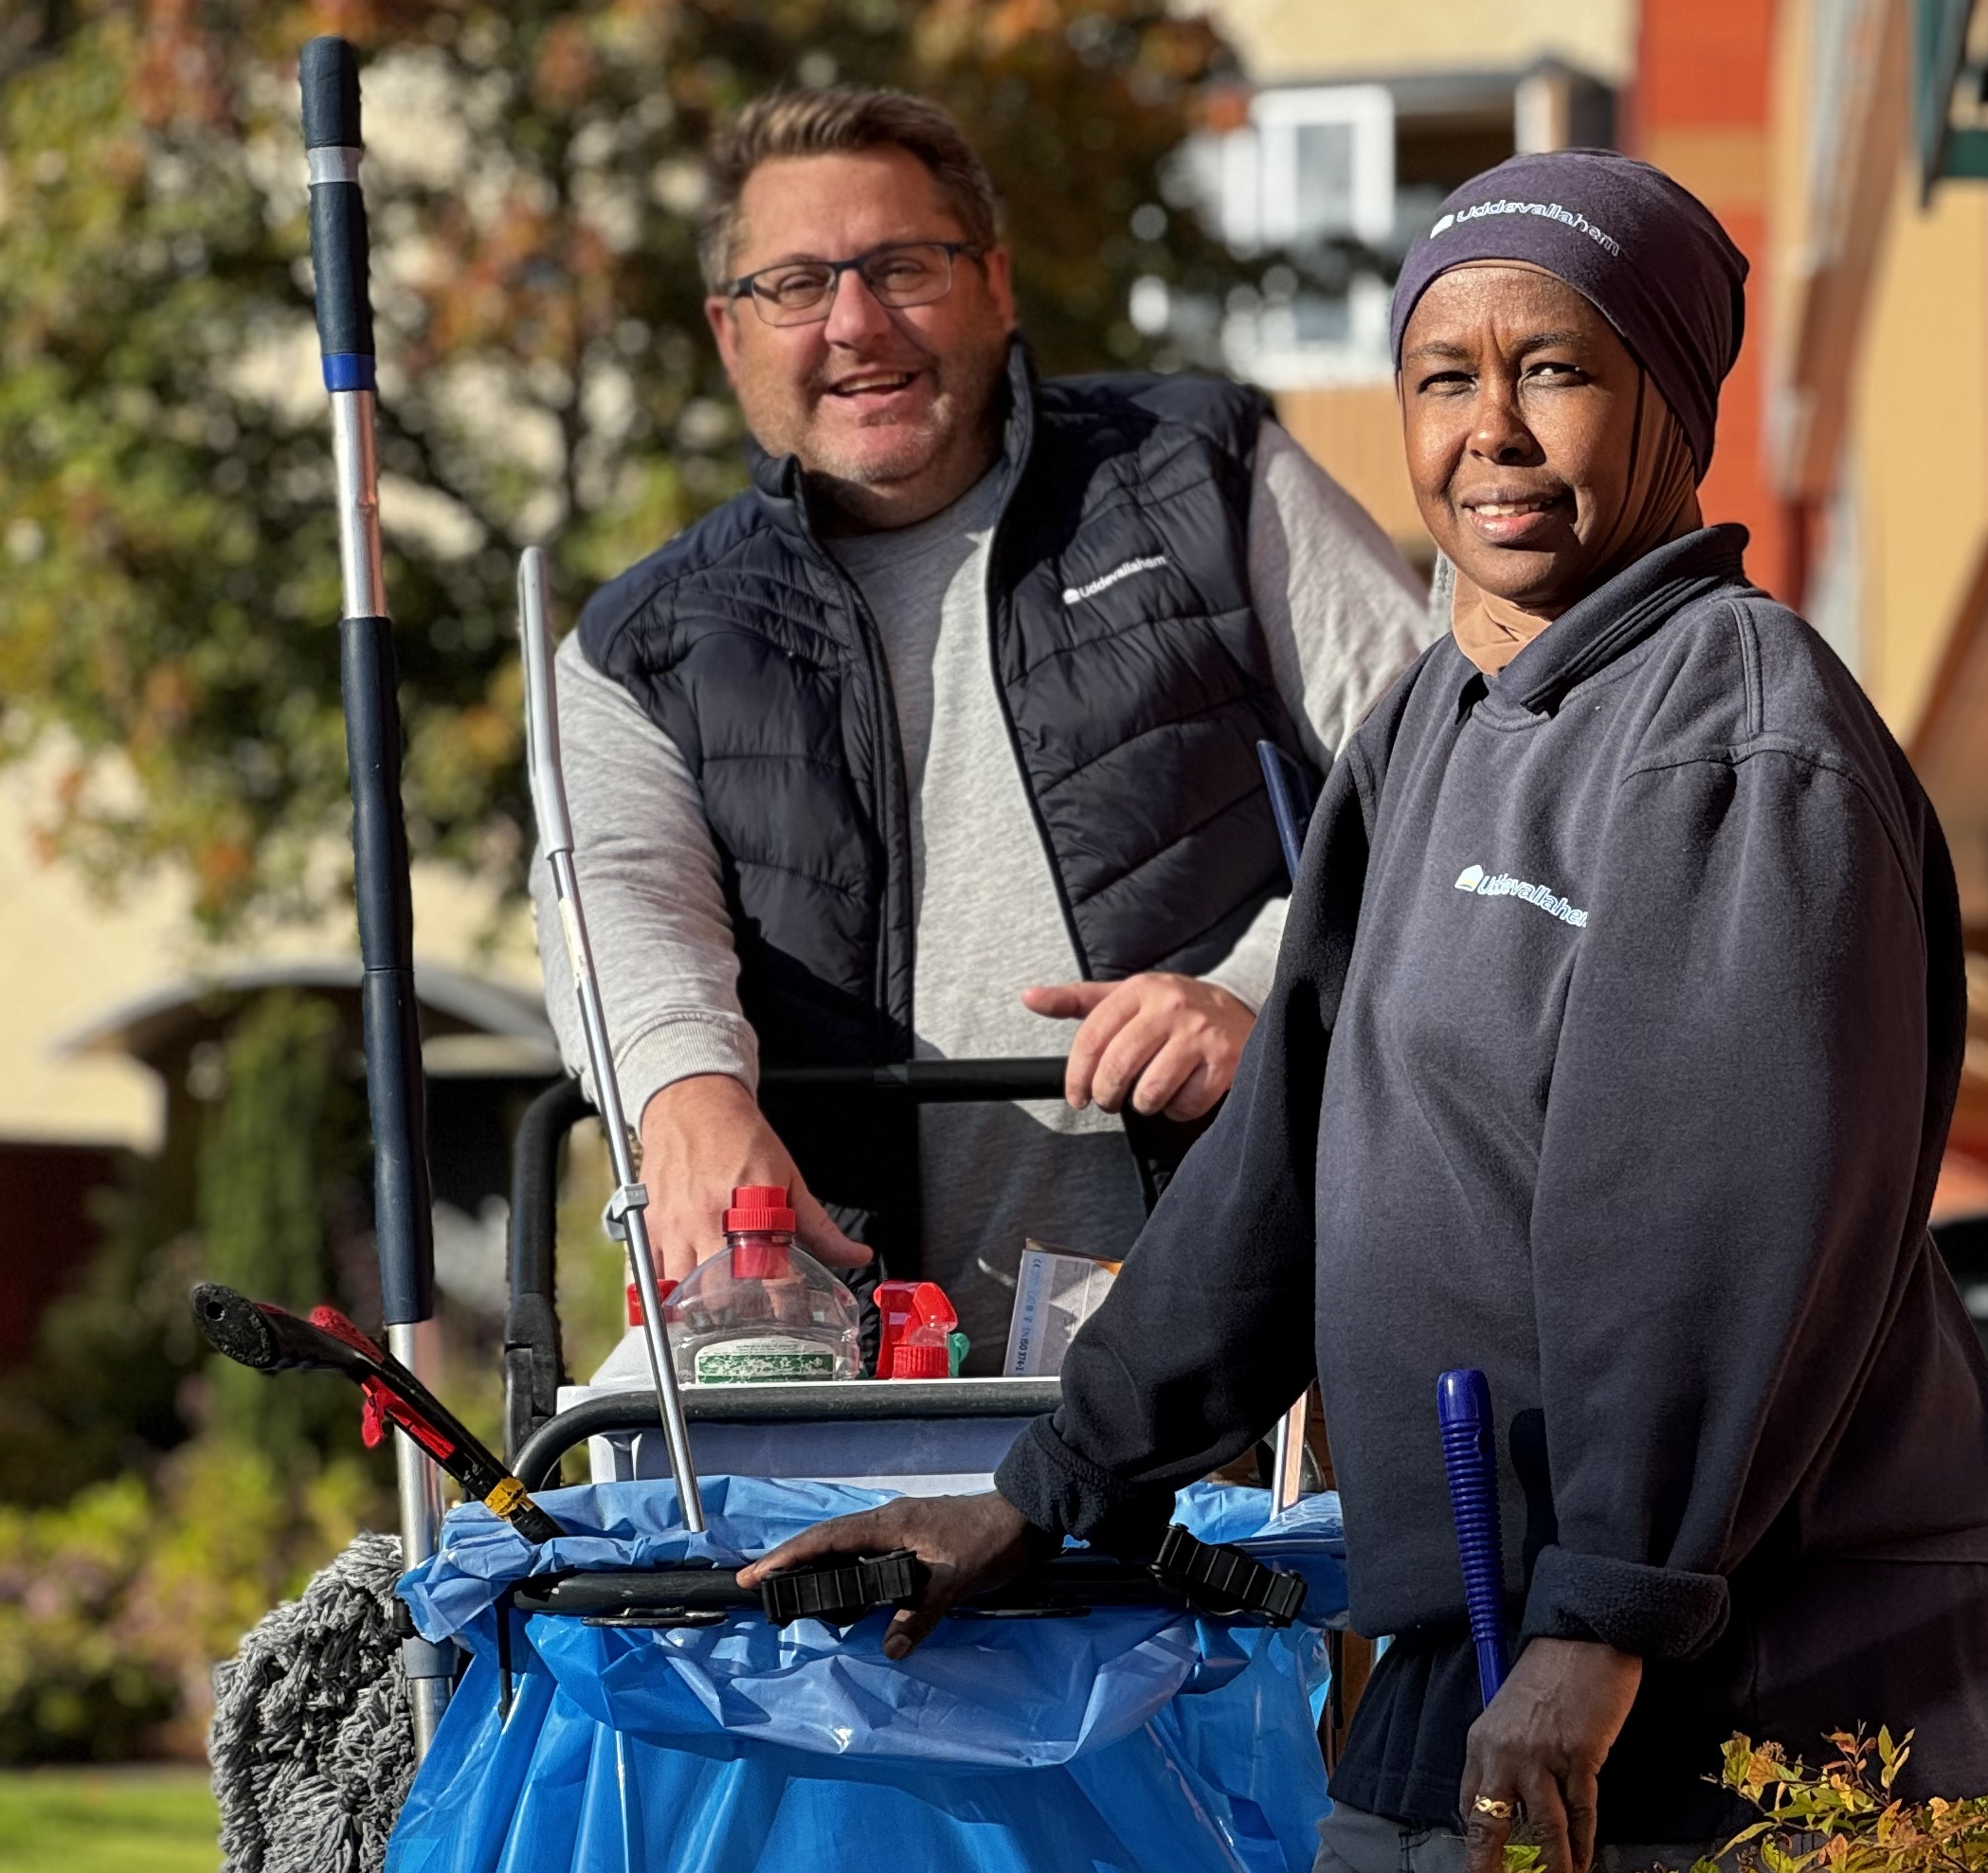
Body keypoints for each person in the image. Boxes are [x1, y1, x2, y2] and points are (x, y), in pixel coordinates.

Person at [747, 148, 1988, 1873]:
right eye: (1446, 379)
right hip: (1489, 1644)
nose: (1492, 436)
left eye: (1558, 372)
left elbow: (1716, 1216)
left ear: (1671, 404)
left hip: (1738, 1686)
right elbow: (1285, 1168)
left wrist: (1608, 1618)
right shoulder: (1445, 718)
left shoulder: (1733, 739)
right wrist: (1043, 1490)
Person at [534, 85, 1435, 1307]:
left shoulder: (1208, 472)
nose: (856, 322)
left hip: (1250, 1324)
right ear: (729, 333)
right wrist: (683, 1093)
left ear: (996, 285)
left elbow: (1439, 784)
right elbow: (618, 896)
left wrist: (1262, 997)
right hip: (843, 1361)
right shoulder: (636, 645)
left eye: (904, 267)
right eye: (795, 285)